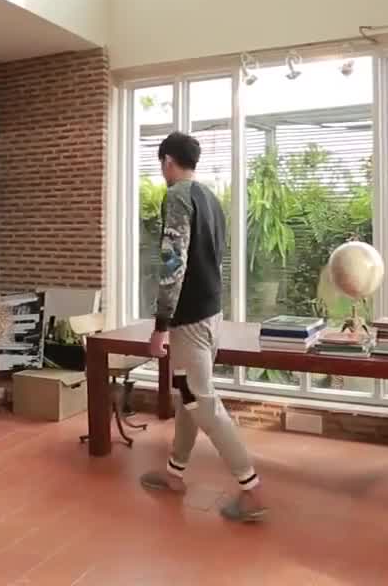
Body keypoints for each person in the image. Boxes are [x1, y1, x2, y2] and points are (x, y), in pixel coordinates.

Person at [139, 131, 267, 523]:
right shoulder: (210, 199)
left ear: (167, 162)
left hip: (190, 318)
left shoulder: (177, 196)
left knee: (201, 401)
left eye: (162, 165)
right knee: (188, 397)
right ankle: (175, 472)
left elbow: (173, 263)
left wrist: (161, 325)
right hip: (212, 314)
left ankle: (252, 489)